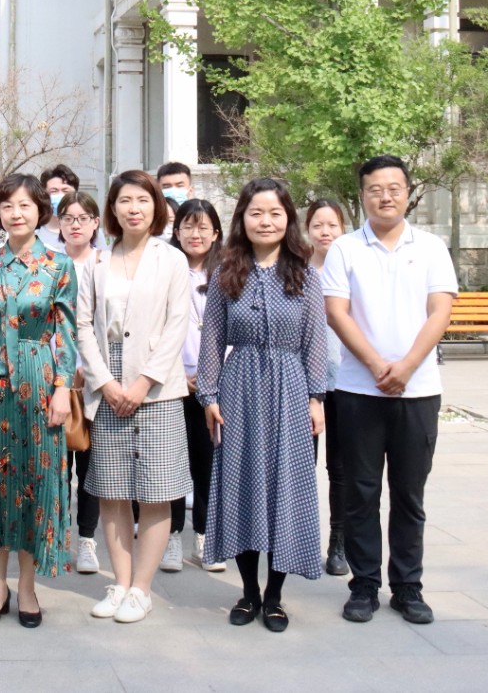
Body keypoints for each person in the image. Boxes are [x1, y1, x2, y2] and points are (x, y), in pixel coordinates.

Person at [322, 156, 456, 626]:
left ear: (407, 192)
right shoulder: (344, 248)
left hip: (418, 392)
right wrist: (379, 366)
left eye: (394, 188)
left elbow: (440, 311)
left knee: (409, 494)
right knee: (360, 493)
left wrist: (408, 366)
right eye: (375, 188)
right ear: (362, 195)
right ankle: (363, 585)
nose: (385, 196)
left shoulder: (432, 247)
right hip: (358, 390)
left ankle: (408, 587)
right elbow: (337, 312)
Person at [198, 178, 330, 634]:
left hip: (290, 387)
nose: (266, 221)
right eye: (257, 213)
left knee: (284, 490)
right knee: (242, 486)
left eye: (275, 213)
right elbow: (212, 337)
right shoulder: (226, 272)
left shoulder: (304, 273)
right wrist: (209, 395)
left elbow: (315, 339)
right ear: (243, 219)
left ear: (288, 218)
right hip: (239, 389)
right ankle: (249, 591)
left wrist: (317, 398)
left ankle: (275, 595)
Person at [0, 173, 77, 628]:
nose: (16, 213)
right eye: (7, 206)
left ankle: (27, 588)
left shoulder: (59, 265)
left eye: (24, 205)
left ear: (40, 210)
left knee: (33, 478)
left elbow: (66, 331)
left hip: (38, 378)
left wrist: (64, 386)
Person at [76, 171, 192, 624]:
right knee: (112, 491)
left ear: (157, 207)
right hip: (108, 386)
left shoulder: (172, 260)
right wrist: (105, 382)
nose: (134, 208)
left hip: (158, 388)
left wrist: (142, 383)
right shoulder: (96, 263)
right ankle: (120, 583)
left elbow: (176, 324)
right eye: (125, 200)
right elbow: (82, 326)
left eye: (143, 199)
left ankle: (142, 589)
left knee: (158, 492)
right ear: (113, 208)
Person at [168, 198, 225, 573]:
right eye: (188, 226)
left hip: (216, 385)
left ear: (216, 233)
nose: (195, 234)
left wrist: (210, 378)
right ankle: (172, 537)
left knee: (208, 462)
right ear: (176, 232)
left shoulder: (230, 273)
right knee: (171, 462)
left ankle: (204, 536)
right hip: (172, 383)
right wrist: (177, 374)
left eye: (203, 227)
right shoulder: (165, 270)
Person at [54, 190, 105, 577]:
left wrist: (95, 368)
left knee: (89, 465)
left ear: (95, 223)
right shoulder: (48, 265)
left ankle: (86, 540)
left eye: (82, 217)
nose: (75, 224)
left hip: (94, 382)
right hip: (51, 380)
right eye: (68, 217)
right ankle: (56, 539)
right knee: (55, 466)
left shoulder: (105, 266)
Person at [306, 198, 351, 577]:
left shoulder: (353, 270)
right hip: (305, 386)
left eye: (332, 225)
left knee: (341, 468)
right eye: (318, 225)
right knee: (303, 465)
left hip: (347, 383)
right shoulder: (300, 272)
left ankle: (338, 542)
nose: (325, 232)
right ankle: (301, 539)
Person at [37, 165, 82, 252]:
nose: (61, 196)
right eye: (54, 191)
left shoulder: (90, 231)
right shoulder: (34, 233)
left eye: (66, 191)